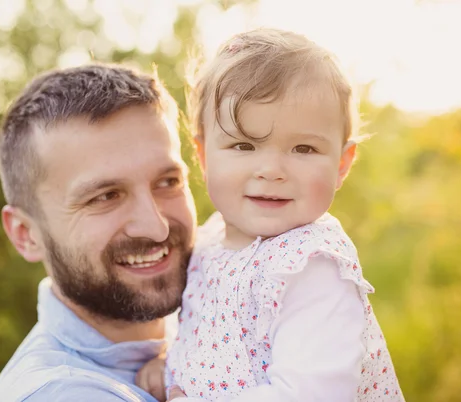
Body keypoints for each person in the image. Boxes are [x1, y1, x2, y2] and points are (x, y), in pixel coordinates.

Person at [137, 28, 405, 401]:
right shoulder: (211, 240)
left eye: (304, 148)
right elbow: (211, 340)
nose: (272, 170)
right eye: (244, 144)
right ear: (203, 156)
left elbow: (308, 394)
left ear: (342, 165)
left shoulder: (312, 268)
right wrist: (168, 364)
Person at [0, 64, 197, 402]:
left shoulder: (210, 322)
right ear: (25, 234)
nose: (156, 227)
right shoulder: (60, 394)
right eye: (105, 196)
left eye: (168, 182)